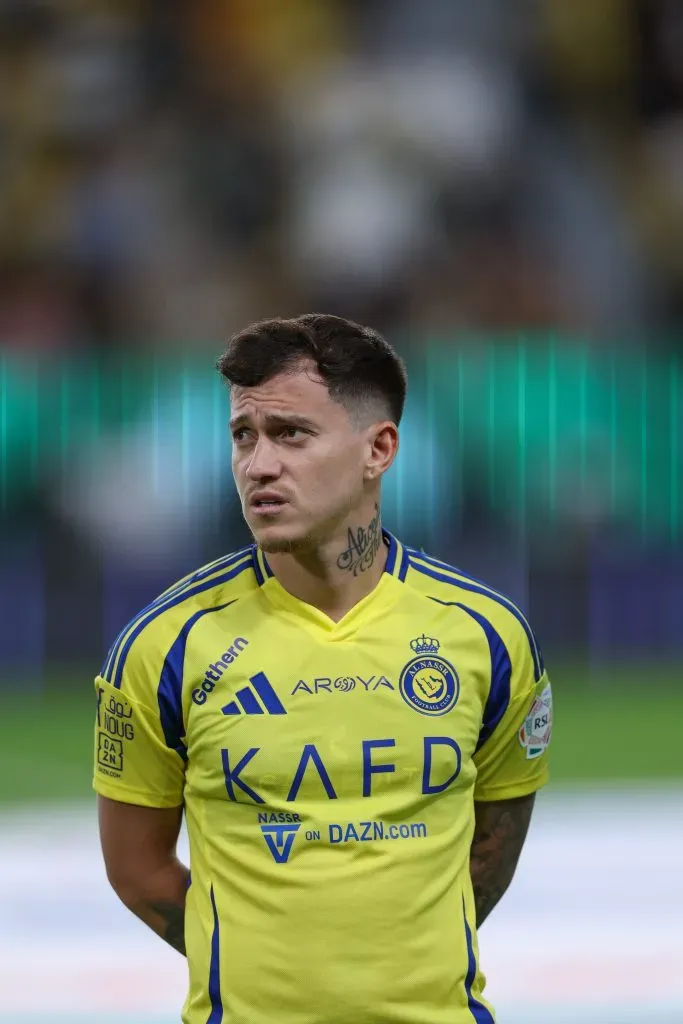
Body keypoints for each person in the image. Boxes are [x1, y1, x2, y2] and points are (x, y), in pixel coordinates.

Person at [94, 313, 552, 1024]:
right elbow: (136, 868)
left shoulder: (486, 636)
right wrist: (253, 956)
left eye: (291, 435)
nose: (258, 464)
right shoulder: (165, 646)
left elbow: (492, 846)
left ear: (379, 449)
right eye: (243, 435)